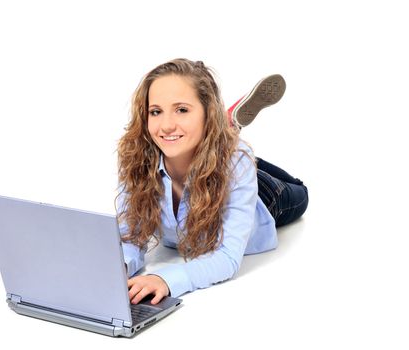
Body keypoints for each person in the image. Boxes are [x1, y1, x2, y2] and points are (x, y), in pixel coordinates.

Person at [116, 58, 308, 305]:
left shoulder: (236, 166)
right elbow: (131, 237)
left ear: (207, 112)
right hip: (216, 155)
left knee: (299, 190)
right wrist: (119, 265)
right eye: (156, 111)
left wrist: (164, 279)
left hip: (260, 195)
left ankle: (226, 135)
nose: (165, 125)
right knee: (232, 154)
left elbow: (227, 258)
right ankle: (225, 131)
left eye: (182, 110)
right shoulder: (136, 157)